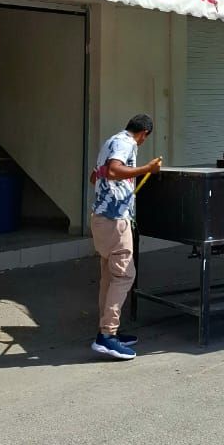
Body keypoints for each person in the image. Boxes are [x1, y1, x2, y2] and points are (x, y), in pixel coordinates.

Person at [89, 113, 161, 360]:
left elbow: (95, 177)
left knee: (110, 275)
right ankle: (107, 336)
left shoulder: (110, 141)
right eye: (143, 139)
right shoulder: (126, 143)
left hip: (101, 217)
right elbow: (113, 170)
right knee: (125, 275)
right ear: (143, 134)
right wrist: (146, 169)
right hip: (114, 219)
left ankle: (108, 330)